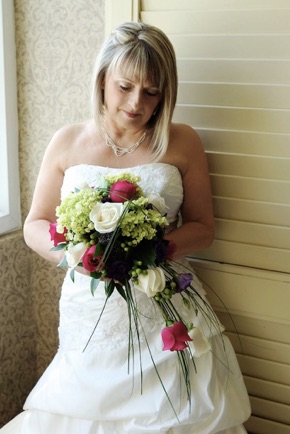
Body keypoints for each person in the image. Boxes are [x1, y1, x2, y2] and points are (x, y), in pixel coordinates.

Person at [1, 21, 251, 434]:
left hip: (165, 301)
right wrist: (76, 257)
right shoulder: (66, 141)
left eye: (151, 92)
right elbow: (34, 224)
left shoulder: (183, 141)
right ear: (102, 80)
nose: (137, 102)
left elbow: (204, 227)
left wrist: (149, 250)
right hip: (91, 305)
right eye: (125, 86)